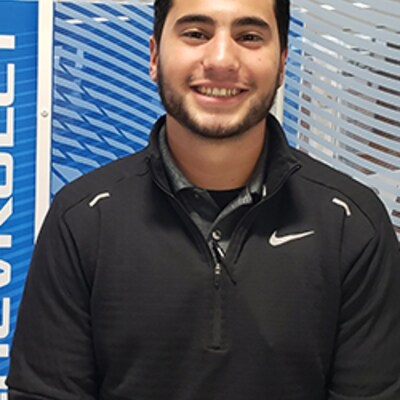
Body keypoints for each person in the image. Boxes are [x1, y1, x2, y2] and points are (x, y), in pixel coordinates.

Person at [7, 0, 400, 398]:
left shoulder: (352, 224)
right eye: (196, 34)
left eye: (249, 36)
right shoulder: (84, 218)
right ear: (155, 56)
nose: (221, 59)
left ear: (282, 62)